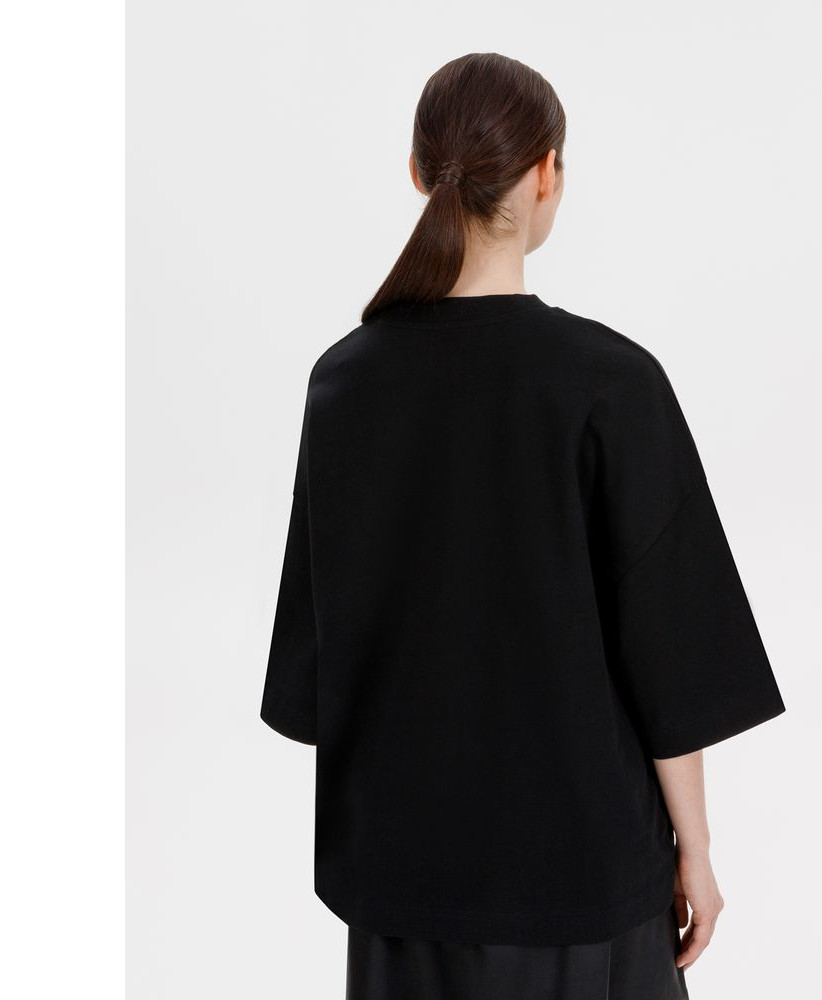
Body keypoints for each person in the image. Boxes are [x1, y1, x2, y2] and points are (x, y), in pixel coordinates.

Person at [260, 52, 786, 1000]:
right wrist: (697, 851)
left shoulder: (343, 384)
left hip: (401, 887)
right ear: (546, 173)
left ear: (418, 173)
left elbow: (320, 664)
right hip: (582, 886)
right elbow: (671, 660)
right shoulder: (609, 383)